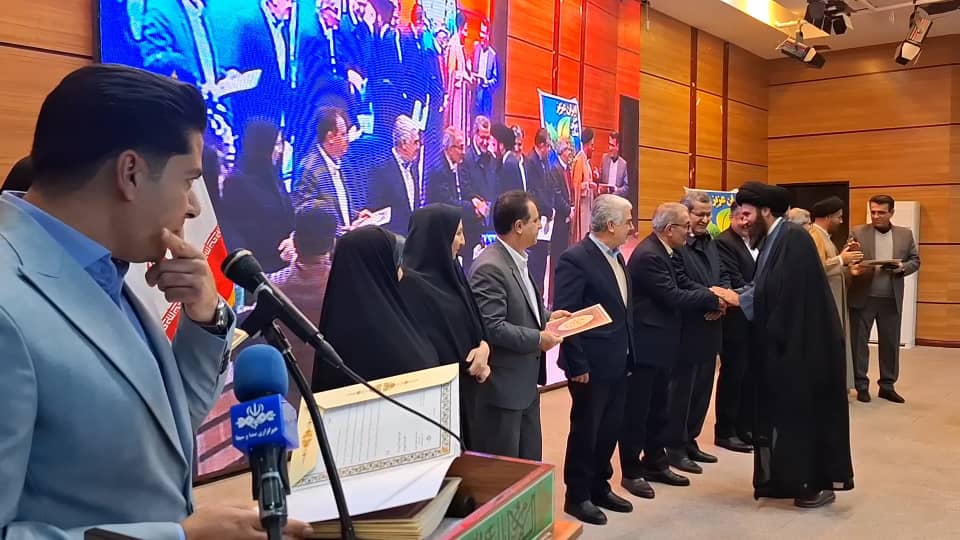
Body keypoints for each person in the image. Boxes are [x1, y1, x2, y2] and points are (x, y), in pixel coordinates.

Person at [0, 64, 315, 539]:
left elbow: (160, 436)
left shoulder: (101, 269)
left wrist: (205, 322)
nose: (193, 205)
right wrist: (179, 537)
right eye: (188, 180)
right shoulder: (9, 303)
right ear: (130, 173)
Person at [721, 181, 854, 509]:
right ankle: (789, 479)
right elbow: (766, 285)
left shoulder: (792, 239)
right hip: (786, 344)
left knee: (801, 417)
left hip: (802, 347)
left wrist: (740, 300)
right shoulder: (775, 238)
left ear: (766, 211)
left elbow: (786, 294)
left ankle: (808, 485)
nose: (743, 221)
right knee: (784, 417)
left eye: (747, 214)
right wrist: (740, 296)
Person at [619, 203, 725, 499]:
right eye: (685, 227)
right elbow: (673, 295)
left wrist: (712, 294)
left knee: (659, 409)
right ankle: (631, 471)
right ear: (669, 229)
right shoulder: (650, 255)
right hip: (646, 347)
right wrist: (712, 299)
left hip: (664, 345)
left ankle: (655, 462)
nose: (689, 232)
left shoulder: (667, 251)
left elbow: (683, 283)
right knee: (638, 413)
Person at [469, 190, 568, 460]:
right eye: (535, 220)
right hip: (504, 389)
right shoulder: (490, 267)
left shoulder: (518, 258)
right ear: (519, 226)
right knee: (508, 468)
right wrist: (538, 339)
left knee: (530, 463)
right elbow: (493, 327)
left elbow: (520, 307)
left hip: (524, 384)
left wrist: (549, 317)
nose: (540, 225)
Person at [555, 195, 635, 525]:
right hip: (590, 364)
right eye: (628, 221)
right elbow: (567, 315)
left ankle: (600, 486)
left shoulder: (618, 257)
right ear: (611, 225)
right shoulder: (575, 259)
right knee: (587, 431)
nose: (632, 227)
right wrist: (577, 365)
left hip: (619, 359)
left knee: (610, 429)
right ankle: (578, 496)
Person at [400, 204, 491, 449]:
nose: (463, 241)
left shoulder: (453, 271)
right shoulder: (410, 285)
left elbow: (475, 319)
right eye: (457, 233)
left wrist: (484, 347)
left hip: (469, 393)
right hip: (438, 403)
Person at [312, 226, 439, 391]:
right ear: (380, 267)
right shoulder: (393, 334)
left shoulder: (332, 333)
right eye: (397, 263)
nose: (402, 272)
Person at [664, 190, 729, 474]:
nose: (704, 220)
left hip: (712, 325)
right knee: (681, 392)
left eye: (707, 215)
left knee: (703, 389)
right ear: (685, 214)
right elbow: (681, 282)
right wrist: (712, 299)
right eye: (699, 214)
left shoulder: (711, 242)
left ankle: (691, 440)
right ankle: (674, 447)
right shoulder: (678, 246)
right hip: (688, 327)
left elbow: (723, 274)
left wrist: (724, 298)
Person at [848, 194, 921, 404]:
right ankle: (861, 386)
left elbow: (915, 261)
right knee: (859, 344)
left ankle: (887, 386)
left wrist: (901, 267)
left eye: (881, 212)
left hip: (891, 297)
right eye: (873, 212)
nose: (876, 216)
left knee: (890, 343)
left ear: (891, 213)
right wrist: (855, 262)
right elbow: (849, 257)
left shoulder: (905, 235)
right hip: (863, 296)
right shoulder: (858, 232)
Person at [219, 119, 293, 274]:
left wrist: (293, 240)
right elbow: (243, 235)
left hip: (287, 263)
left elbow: (289, 217)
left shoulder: (273, 176)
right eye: (276, 144)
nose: (280, 150)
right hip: (261, 270)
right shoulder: (236, 183)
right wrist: (280, 251)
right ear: (262, 146)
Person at [714, 202, 758, 453]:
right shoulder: (724, 242)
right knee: (733, 374)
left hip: (753, 317)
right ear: (731, 218)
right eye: (740, 217)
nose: (745, 222)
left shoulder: (756, 240)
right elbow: (734, 282)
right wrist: (761, 288)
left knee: (750, 374)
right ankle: (726, 431)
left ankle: (745, 427)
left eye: (748, 216)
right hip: (734, 320)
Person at [809, 196, 863, 390]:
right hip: (825, 301)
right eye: (838, 217)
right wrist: (841, 259)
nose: (841, 221)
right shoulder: (814, 235)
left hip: (834, 297)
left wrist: (847, 262)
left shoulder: (824, 237)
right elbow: (814, 268)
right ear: (828, 217)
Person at [570, 128, 596, 243]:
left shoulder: (586, 161)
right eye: (592, 145)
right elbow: (575, 186)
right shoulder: (579, 160)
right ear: (587, 145)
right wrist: (587, 185)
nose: (593, 148)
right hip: (581, 209)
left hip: (588, 207)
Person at [600, 132, 628, 198]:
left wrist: (616, 190)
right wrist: (597, 176)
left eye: (612, 145)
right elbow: (600, 180)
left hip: (616, 200)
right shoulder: (604, 159)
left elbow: (626, 187)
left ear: (617, 147)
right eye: (609, 144)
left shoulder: (623, 164)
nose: (610, 148)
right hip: (604, 199)